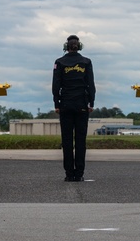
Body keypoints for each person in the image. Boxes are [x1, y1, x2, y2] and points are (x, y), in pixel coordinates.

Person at [53, 34, 95, 182]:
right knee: (80, 141)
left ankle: (69, 174)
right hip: (82, 105)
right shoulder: (86, 62)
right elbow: (91, 84)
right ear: (79, 46)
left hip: (65, 104)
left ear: (66, 47)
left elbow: (55, 86)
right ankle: (79, 174)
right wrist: (91, 103)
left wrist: (56, 104)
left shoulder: (59, 62)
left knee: (67, 141)